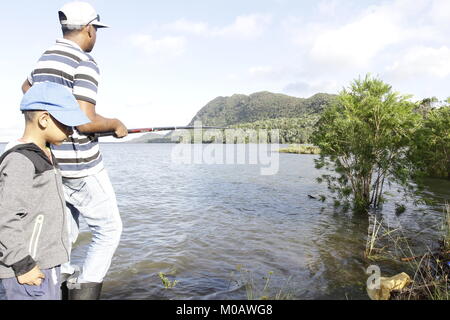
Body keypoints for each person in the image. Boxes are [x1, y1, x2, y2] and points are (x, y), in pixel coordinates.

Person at [21, 2, 128, 299]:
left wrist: (51, 122)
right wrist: (116, 124)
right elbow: (86, 121)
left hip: (52, 161)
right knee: (109, 229)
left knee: (65, 233)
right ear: (88, 29)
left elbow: (26, 88)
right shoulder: (84, 62)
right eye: (96, 30)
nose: (96, 36)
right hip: (82, 165)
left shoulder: (46, 58)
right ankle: (84, 293)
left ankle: (58, 287)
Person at [0, 82, 91, 300]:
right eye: (67, 124)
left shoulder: (44, 155)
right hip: (26, 273)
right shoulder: (20, 160)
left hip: (47, 266)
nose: (71, 131)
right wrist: (23, 265)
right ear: (44, 119)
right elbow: (5, 216)